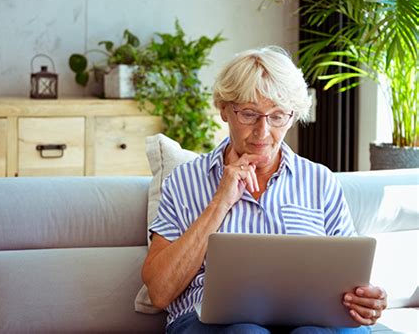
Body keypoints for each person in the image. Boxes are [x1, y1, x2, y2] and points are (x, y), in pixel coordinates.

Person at [141, 46, 387, 333]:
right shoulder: (184, 181)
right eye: (249, 114)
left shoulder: (320, 181)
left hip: (310, 320)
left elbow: (350, 277)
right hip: (212, 322)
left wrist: (366, 300)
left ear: (292, 116)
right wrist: (220, 202)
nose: (262, 131)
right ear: (224, 109)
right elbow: (159, 292)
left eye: (277, 116)